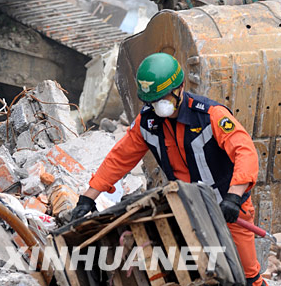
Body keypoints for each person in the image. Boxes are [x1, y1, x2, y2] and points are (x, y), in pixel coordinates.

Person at [70, 52, 267, 286]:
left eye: (163, 97)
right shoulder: (148, 123)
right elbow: (119, 159)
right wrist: (88, 197)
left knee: (246, 276)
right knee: (199, 275)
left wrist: (234, 197)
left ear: (180, 87)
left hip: (229, 208)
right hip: (189, 209)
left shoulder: (210, 115)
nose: (158, 105)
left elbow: (244, 151)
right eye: (151, 100)